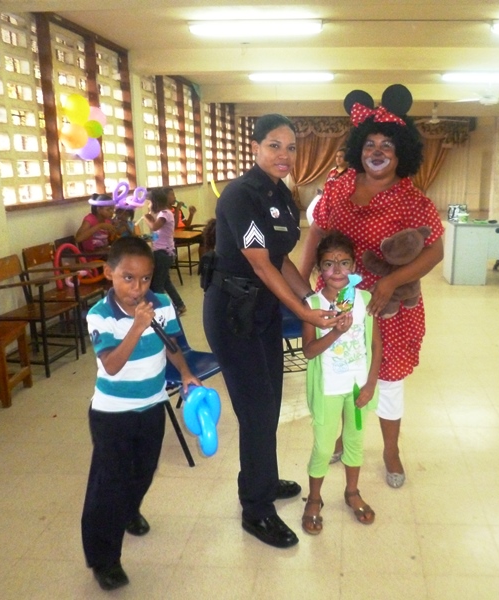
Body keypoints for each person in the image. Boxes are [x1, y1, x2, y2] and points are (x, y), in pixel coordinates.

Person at [203, 113, 339, 549]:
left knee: (270, 403)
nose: (284, 154)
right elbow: (260, 263)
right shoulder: (240, 195)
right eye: (275, 145)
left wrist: (314, 299)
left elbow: (281, 259)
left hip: (261, 312)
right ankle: (256, 509)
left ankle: (261, 477)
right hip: (233, 313)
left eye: (291, 147)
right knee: (257, 410)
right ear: (256, 148)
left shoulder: (282, 194)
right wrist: (303, 312)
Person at [300, 86, 444, 489]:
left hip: (388, 305)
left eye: (387, 145)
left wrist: (391, 281)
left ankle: (390, 450)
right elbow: (317, 233)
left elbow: (434, 251)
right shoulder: (339, 186)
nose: (377, 151)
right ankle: (342, 438)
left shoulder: (412, 198)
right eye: (370, 144)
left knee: (388, 377)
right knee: (341, 369)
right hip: (338, 298)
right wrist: (302, 287)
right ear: (358, 148)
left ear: (401, 153)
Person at [81, 236, 200, 591]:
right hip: (112, 414)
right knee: (109, 485)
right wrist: (136, 326)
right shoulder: (99, 315)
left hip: (152, 405)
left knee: (144, 470)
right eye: (128, 278)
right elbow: (112, 364)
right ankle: (104, 559)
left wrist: (186, 373)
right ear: (109, 274)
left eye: (145, 278)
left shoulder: (161, 303)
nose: (138, 288)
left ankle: (128, 509)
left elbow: (172, 344)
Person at [301, 231, 382, 535]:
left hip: (358, 388)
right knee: (324, 447)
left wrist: (371, 384)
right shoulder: (312, 304)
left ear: (353, 266)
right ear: (319, 269)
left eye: (344, 263)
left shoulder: (365, 300)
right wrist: (335, 331)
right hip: (328, 389)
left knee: (354, 441)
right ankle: (315, 498)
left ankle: (352, 492)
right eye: (328, 264)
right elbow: (309, 351)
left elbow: (376, 345)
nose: (337, 270)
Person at [144, 188, 187, 316]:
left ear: (156, 202)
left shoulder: (164, 214)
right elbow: (159, 232)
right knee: (166, 282)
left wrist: (147, 218)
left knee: (157, 286)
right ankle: (179, 305)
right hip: (164, 252)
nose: (148, 205)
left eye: (150, 202)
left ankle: (162, 312)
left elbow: (154, 227)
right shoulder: (164, 213)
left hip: (163, 254)